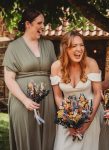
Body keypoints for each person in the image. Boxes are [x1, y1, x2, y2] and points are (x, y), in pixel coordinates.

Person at [2, 9, 56, 150]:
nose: (43, 26)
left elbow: (56, 74)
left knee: (49, 138)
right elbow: (9, 79)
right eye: (39, 23)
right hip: (22, 102)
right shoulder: (13, 47)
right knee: (27, 139)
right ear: (28, 24)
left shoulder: (49, 46)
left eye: (43, 23)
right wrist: (25, 100)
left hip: (47, 102)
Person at [50, 31, 102, 150]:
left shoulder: (91, 64)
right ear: (65, 48)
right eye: (74, 46)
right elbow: (58, 96)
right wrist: (67, 121)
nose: (79, 49)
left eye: (81, 45)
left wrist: (87, 122)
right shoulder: (56, 67)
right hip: (66, 117)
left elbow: (98, 94)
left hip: (90, 116)